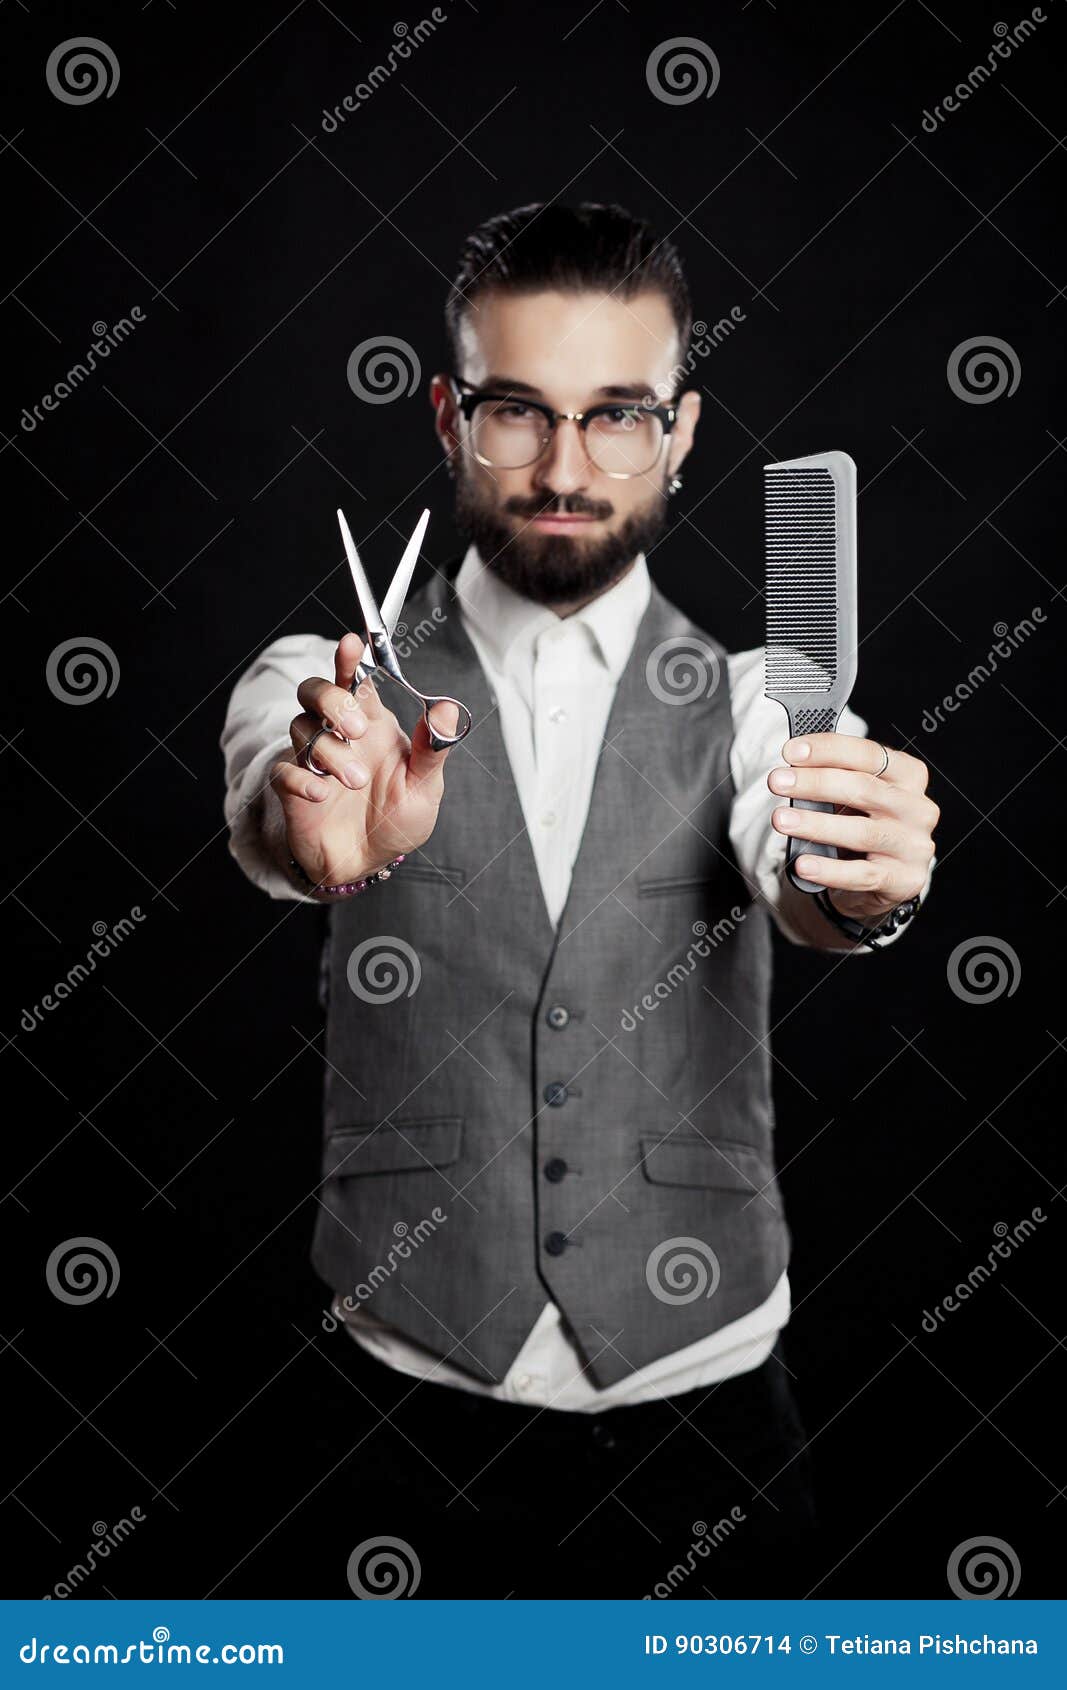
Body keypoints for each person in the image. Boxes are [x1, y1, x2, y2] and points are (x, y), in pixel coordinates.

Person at [221, 202, 939, 1598]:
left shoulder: (753, 705)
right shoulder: (318, 683)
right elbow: (276, 807)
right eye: (516, 413)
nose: (564, 467)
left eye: (618, 415)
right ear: (446, 415)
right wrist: (320, 832)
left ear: (680, 430)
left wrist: (863, 886)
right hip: (396, 1405)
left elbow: (804, 872)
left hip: (710, 1405)